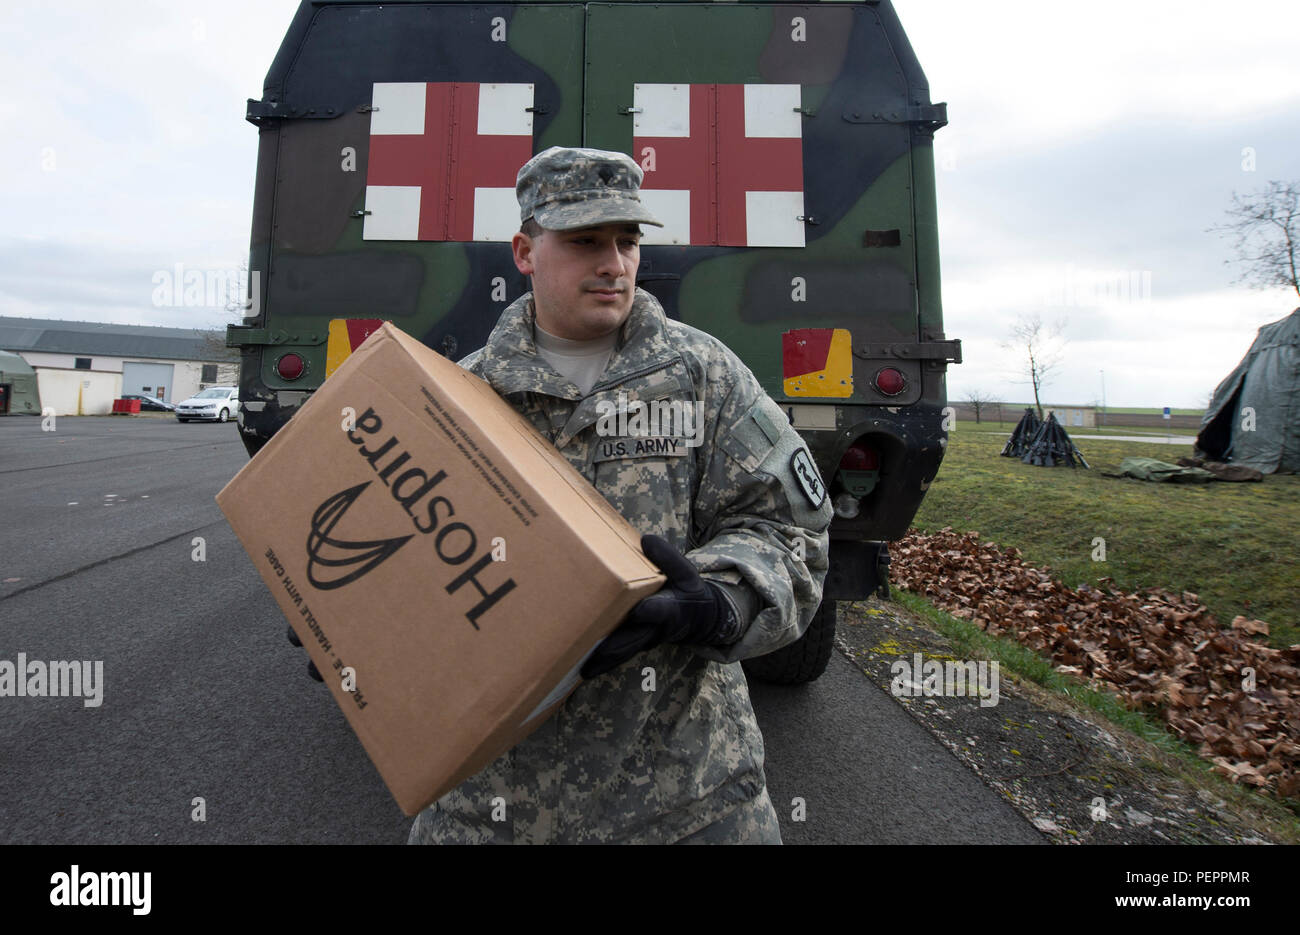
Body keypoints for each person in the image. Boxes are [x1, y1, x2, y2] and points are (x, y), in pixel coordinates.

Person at [406, 146, 832, 844]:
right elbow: (401, 546)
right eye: (584, 241)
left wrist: (721, 602)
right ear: (525, 250)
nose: (614, 262)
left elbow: (790, 527)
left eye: (628, 240)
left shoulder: (703, 376)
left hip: (688, 798)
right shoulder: (458, 397)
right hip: (494, 806)